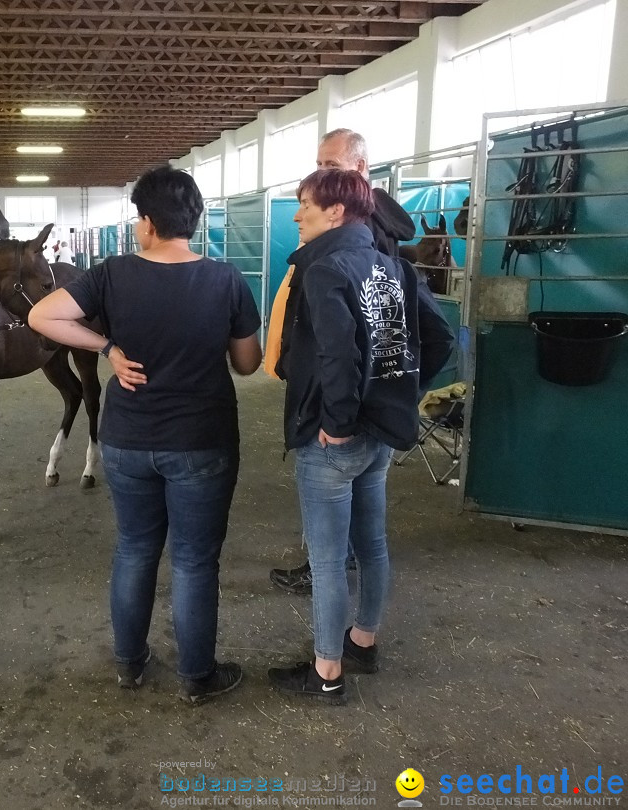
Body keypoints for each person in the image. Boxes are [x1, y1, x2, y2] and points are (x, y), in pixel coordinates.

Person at [28, 166, 262, 704]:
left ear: (150, 223)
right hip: (202, 438)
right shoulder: (226, 279)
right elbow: (247, 364)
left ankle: (130, 665)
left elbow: (43, 315)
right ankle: (196, 676)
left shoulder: (112, 274)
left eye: (138, 219)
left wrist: (107, 348)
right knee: (195, 559)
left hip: (128, 438)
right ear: (194, 222)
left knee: (135, 548)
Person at [266, 169, 453, 702]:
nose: (297, 214)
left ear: (336, 212)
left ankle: (326, 673)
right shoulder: (394, 266)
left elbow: (340, 357)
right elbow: (436, 339)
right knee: (371, 545)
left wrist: (335, 422)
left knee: (327, 562)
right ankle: (363, 643)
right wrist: (400, 390)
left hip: (337, 440)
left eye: (304, 204)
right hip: (382, 436)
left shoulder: (325, 270)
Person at [267, 128, 417, 596]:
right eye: (318, 164)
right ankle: (357, 627)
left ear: (359, 170)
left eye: (331, 166)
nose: (321, 174)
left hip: (340, 405)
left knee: (336, 510)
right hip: (358, 396)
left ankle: (326, 593)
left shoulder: (354, 240)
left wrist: (342, 413)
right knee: (367, 529)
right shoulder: (369, 233)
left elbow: (343, 347)